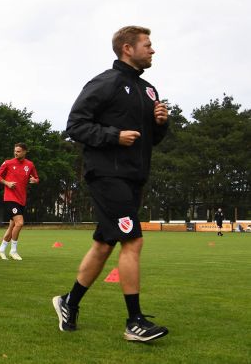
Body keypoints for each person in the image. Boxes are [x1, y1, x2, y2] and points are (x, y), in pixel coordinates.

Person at [54, 26, 169, 342]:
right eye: (148, 44)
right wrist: (113, 136)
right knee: (133, 240)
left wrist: (160, 123)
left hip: (133, 176)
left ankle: (69, 302)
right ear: (128, 49)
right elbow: (75, 125)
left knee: (105, 244)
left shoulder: (149, 90)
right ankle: (134, 322)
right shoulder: (105, 82)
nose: (153, 50)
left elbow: (151, 140)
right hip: (107, 174)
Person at [0, 143, 39, 260]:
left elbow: (36, 178)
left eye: (18, 151)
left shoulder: (30, 165)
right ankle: (13, 251)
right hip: (10, 198)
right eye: (15, 151)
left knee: (12, 227)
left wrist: (35, 180)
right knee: (20, 223)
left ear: (25, 151)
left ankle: (1, 250)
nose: (16, 153)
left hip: (21, 200)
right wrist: (7, 183)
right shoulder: (8, 163)